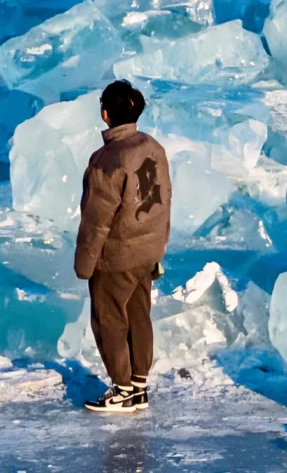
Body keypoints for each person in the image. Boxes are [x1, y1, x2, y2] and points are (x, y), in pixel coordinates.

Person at [74, 79, 171, 415]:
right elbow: (162, 202)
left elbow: (96, 221)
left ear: (105, 114)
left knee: (109, 320)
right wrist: (158, 248)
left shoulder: (107, 160)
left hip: (116, 257)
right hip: (146, 252)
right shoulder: (153, 147)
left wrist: (85, 264)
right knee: (138, 314)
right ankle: (139, 385)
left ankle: (122, 389)